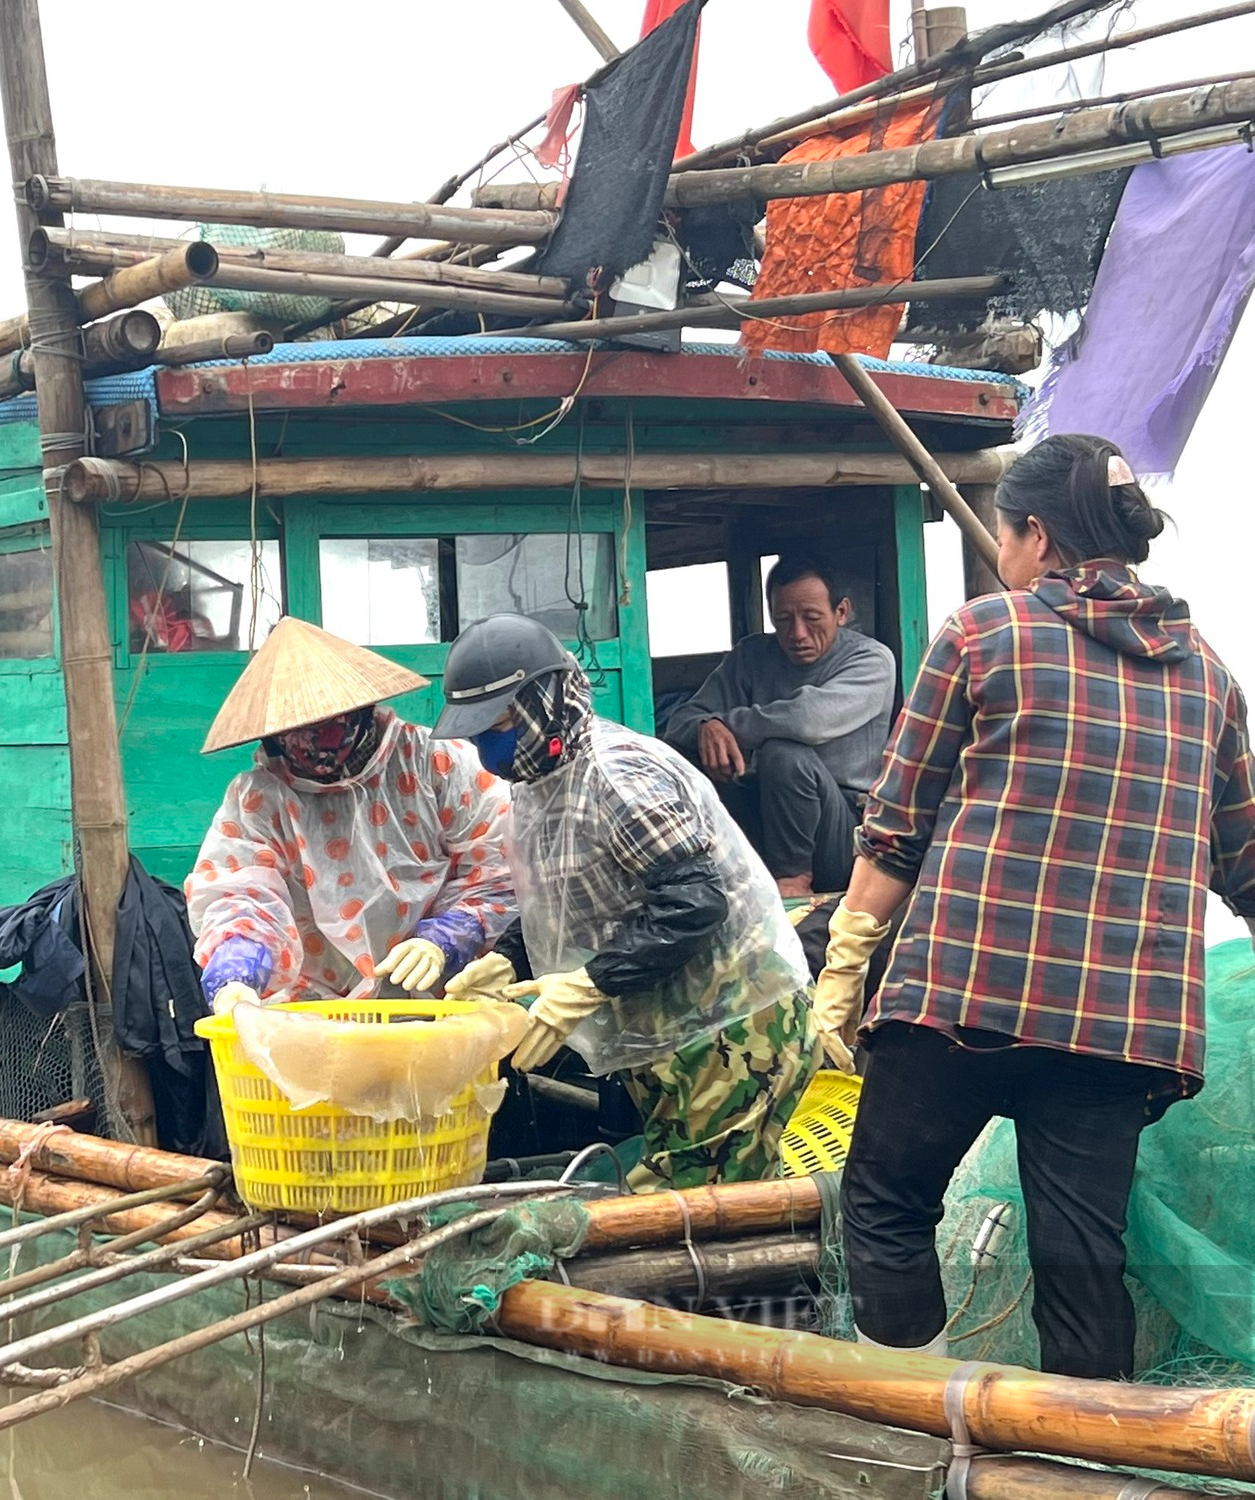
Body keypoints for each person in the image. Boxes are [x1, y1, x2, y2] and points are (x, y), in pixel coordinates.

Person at [816, 435, 1255, 1379]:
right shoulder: (1212, 680)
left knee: (888, 1205)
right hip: (1124, 1027)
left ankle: (921, 1437)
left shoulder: (982, 633)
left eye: (1006, 540)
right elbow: (1247, 868)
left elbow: (896, 829)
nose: (1002, 559)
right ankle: (1087, 1470)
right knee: (1082, 1265)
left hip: (963, 995)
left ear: (1037, 538)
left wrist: (846, 959)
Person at [434, 612, 816, 1190]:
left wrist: (590, 983)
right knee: (707, 1189)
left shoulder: (616, 773)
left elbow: (694, 901)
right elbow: (564, 900)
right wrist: (510, 955)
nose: (490, 748)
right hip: (663, 1027)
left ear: (547, 702)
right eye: (477, 732)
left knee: (703, 1208)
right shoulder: (542, 786)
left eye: (502, 724)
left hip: (732, 1022)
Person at [187, 617, 515, 1007]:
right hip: (315, 1014)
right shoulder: (259, 801)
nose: (317, 740)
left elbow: (500, 869)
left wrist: (448, 936)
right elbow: (239, 895)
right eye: (299, 728)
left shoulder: (434, 764)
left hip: (441, 1001)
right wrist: (236, 969)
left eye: (327, 722)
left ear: (360, 708)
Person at [662, 555, 896, 897]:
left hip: (841, 832)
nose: (796, 633)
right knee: (686, 754)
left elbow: (807, 721)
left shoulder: (871, 661)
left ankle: (793, 881)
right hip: (764, 812)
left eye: (812, 618)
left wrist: (725, 724)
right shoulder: (752, 656)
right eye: (783, 619)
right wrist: (705, 726)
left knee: (783, 754)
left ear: (841, 612)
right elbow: (682, 719)